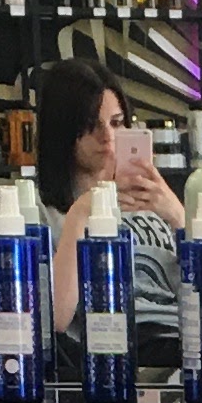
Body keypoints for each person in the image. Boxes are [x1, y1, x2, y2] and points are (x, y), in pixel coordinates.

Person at [36, 60, 185, 363]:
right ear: (63, 131)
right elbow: (53, 322)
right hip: (126, 343)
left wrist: (178, 217)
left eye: (116, 123)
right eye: (92, 125)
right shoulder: (38, 214)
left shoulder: (154, 206)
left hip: (189, 330)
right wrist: (81, 213)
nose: (108, 137)